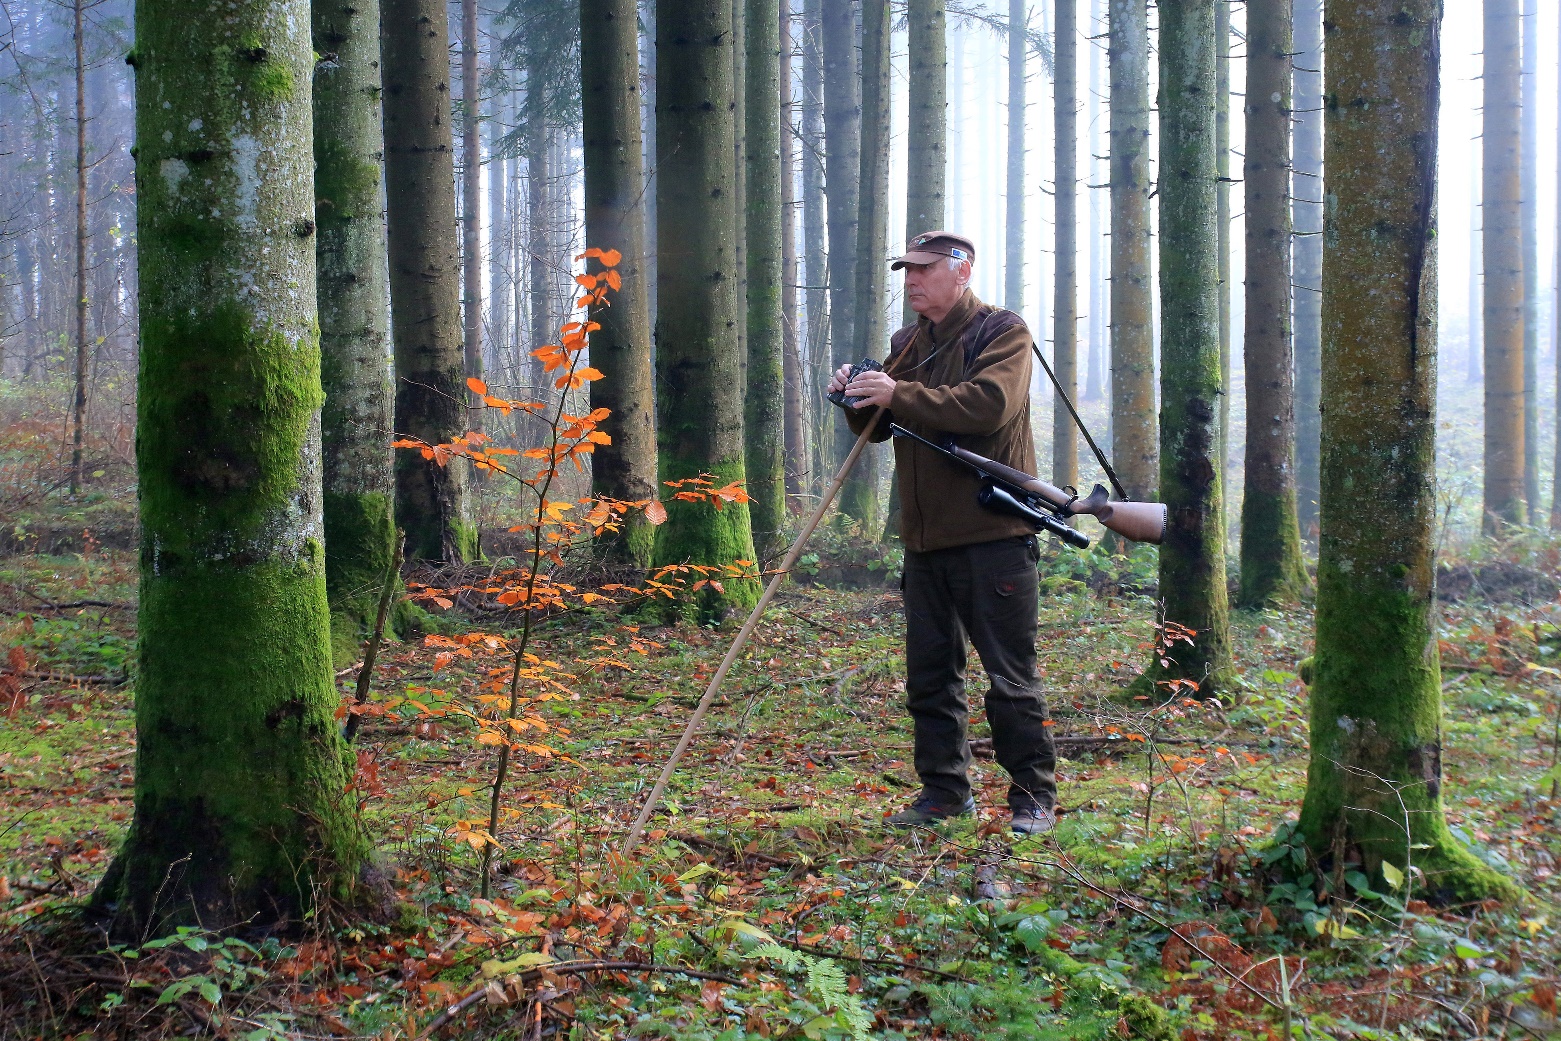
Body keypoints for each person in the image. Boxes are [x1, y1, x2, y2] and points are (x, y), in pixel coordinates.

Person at [828, 231, 1057, 836]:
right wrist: (858, 396)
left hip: (994, 535)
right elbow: (880, 427)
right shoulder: (909, 343)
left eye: (925, 270)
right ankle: (944, 793)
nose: (912, 281)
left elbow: (987, 407)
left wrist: (896, 391)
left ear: (962, 269)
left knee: (1009, 677)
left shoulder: (1002, 331)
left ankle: (1033, 796)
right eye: (907, 270)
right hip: (925, 543)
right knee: (930, 677)